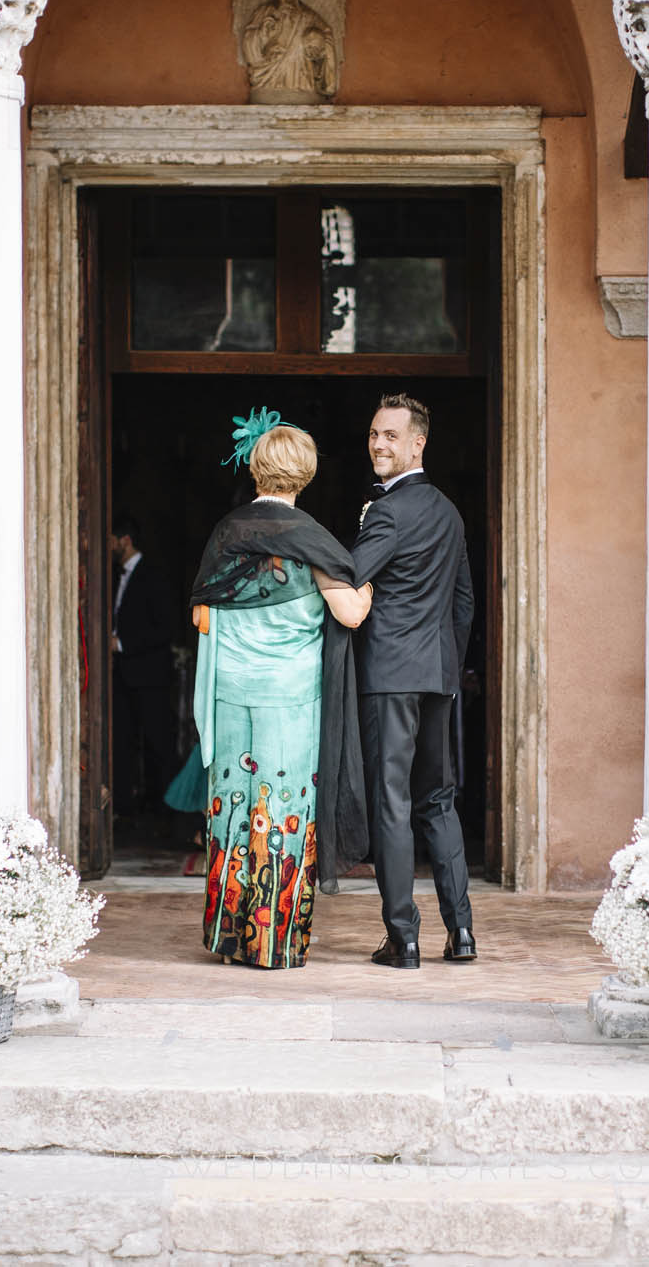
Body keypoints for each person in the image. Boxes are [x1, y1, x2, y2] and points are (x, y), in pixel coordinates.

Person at [188, 412, 371, 968]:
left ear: (255, 467)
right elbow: (352, 613)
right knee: (282, 811)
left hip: (230, 690)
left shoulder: (226, 533)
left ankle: (228, 937)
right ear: (307, 475)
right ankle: (273, 943)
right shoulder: (311, 540)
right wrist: (368, 572)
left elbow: (203, 613)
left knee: (232, 812)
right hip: (289, 697)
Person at [353, 394, 476, 970]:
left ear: (417, 444)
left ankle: (403, 939)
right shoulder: (450, 512)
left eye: (391, 436)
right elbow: (464, 604)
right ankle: (463, 932)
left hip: (389, 675)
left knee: (392, 802)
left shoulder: (386, 513)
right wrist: (447, 665)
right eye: (375, 434)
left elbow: (354, 578)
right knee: (439, 801)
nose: (379, 444)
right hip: (438, 674)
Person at [110, 515, 178, 833]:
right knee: (121, 741)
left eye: (111, 539)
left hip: (150, 676)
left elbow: (165, 628)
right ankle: (125, 807)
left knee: (157, 742)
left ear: (125, 540)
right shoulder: (112, 576)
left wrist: (121, 643)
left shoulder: (153, 576)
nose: (107, 546)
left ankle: (163, 811)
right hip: (120, 676)